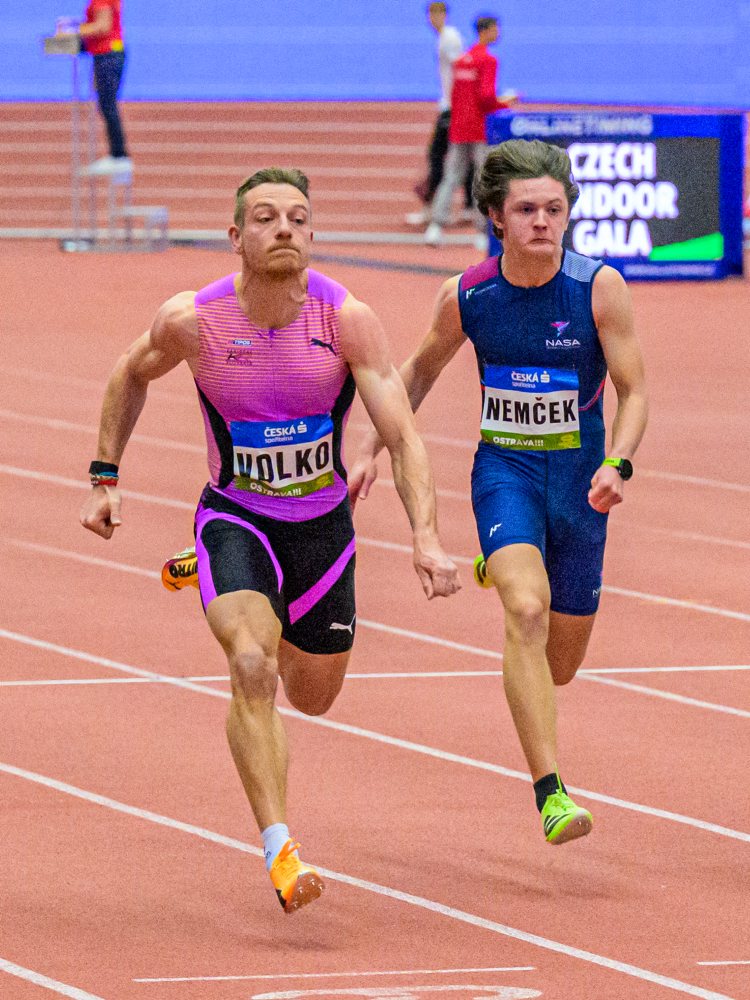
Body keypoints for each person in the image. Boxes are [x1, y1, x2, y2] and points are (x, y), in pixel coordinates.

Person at [80, 167, 460, 913]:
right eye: (264, 217)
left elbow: (404, 437)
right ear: (236, 237)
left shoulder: (347, 320)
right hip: (237, 515)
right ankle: (281, 848)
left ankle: (259, 596)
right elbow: (132, 372)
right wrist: (104, 474)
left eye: (297, 217)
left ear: (313, 235)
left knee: (313, 697)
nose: (283, 228)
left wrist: (426, 536)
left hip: (320, 528)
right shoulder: (194, 320)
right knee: (251, 663)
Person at [351, 139, 648, 845]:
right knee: (525, 608)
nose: (543, 221)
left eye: (555, 208)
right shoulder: (469, 294)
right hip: (505, 473)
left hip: (581, 484)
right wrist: (369, 446)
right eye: (526, 210)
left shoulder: (598, 288)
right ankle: (552, 793)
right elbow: (414, 374)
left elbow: (634, 391)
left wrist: (619, 463)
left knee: (561, 666)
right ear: (496, 218)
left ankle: (503, 565)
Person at [424, 14, 517, 250]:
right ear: (486, 31)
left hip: (459, 128)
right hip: (478, 129)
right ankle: (482, 230)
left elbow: (455, 94)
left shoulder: (462, 60)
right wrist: (505, 102)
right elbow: (485, 98)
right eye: (496, 29)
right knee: (481, 178)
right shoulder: (487, 60)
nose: (499, 33)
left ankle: (435, 226)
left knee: (450, 177)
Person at [405, 2, 474, 228]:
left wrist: (458, 106)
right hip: (452, 105)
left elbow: (461, 71)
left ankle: (432, 209)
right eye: (430, 15)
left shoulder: (449, 39)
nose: (432, 19)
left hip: (452, 107)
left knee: (438, 157)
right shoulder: (445, 37)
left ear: (443, 15)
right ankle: (469, 206)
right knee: (462, 156)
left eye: (436, 14)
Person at [57, 0, 131, 175]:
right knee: (106, 104)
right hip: (107, 53)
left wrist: (73, 31)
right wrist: (76, 25)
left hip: (108, 54)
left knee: (107, 104)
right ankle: (118, 155)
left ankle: (119, 155)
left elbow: (103, 26)